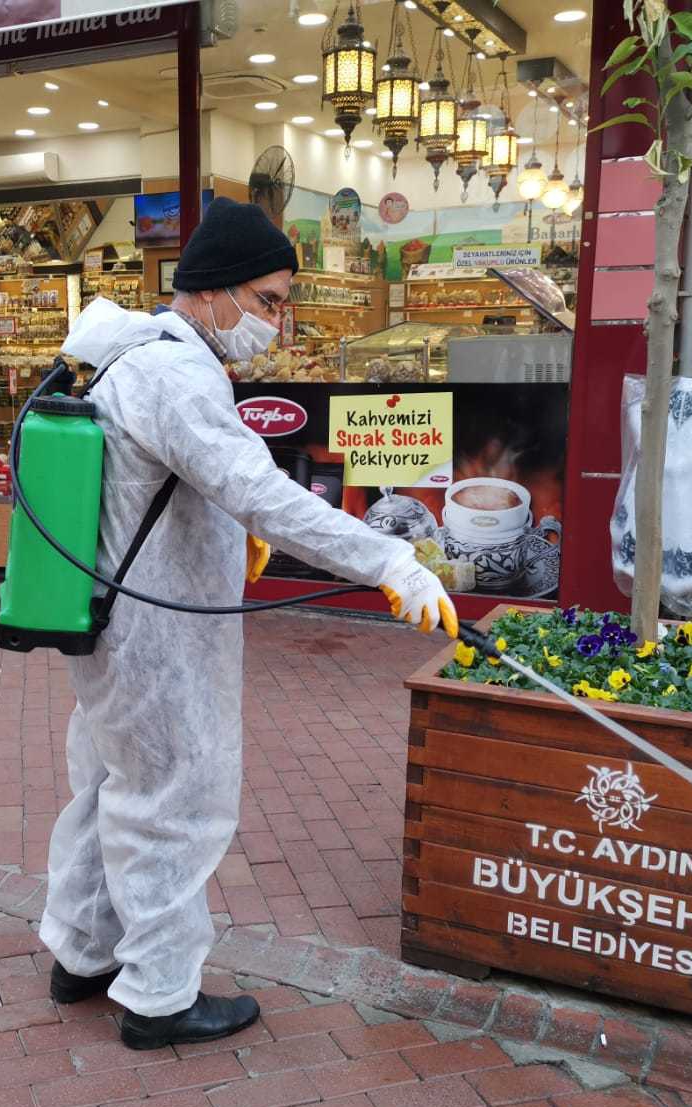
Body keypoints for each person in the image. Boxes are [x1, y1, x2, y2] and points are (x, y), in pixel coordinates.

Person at [41, 197, 457, 1051]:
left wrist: (240, 544)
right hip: (157, 637)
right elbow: (255, 486)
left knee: (111, 786)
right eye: (268, 301)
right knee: (174, 801)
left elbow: (189, 486)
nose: (276, 321)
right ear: (214, 291)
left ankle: (81, 954)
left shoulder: (139, 357)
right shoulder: (173, 372)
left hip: (117, 619)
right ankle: (158, 996)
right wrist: (388, 560)